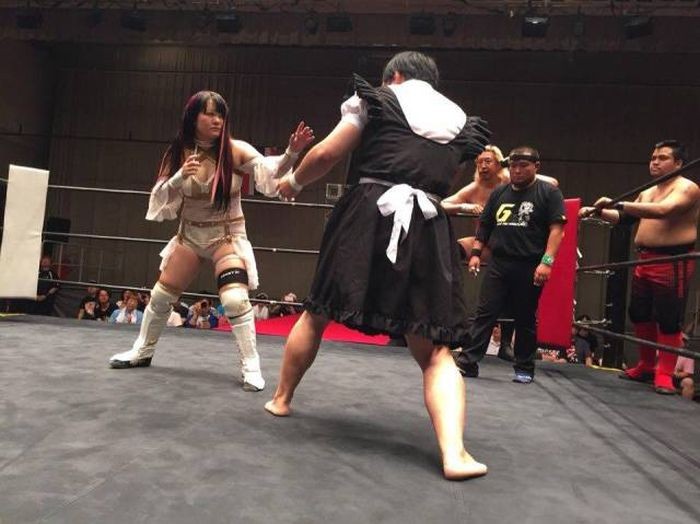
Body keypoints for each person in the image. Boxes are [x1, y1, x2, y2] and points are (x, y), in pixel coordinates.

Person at [266, 51, 490, 480]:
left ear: (395, 76)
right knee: (436, 349)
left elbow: (327, 154)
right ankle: (455, 453)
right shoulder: (461, 121)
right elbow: (439, 179)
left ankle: (281, 399)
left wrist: (292, 182)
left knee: (317, 312)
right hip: (427, 225)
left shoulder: (377, 99)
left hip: (368, 214)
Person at [108, 90, 314, 392]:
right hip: (189, 236)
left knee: (234, 300)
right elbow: (159, 199)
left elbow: (269, 174)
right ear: (194, 118)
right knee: (161, 297)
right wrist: (179, 177)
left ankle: (251, 364)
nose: (217, 119)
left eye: (220, 114)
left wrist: (291, 153)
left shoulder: (234, 150)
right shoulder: (177, 153)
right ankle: (142, 350)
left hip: (226, 236)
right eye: (209, 113)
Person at [579, 140, 700, 394]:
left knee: (669, 318)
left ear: (678, 163)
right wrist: (598, 212)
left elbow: (665, 210)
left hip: (671, 259)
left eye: (662, 158)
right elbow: (624, 218)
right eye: (653, 157)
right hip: (644, 258)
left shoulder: (687, 188)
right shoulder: (648, 191)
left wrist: (617, 203)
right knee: (639, 313)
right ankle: (646, 366)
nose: (655, 162)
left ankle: (664, 374)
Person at [454, 146, 566, 384]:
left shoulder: (548, 193)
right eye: (513, 166)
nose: (517, 170)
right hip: (499, 263)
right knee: (485, 313)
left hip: (529, 264)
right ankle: (468, 362)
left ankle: (524, 367)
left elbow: (557, 230)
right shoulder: (499, 192)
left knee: (524, 317)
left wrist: (546, 262)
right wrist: (476, 253)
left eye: (523, 166)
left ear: (536, 167)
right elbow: (485, 225)